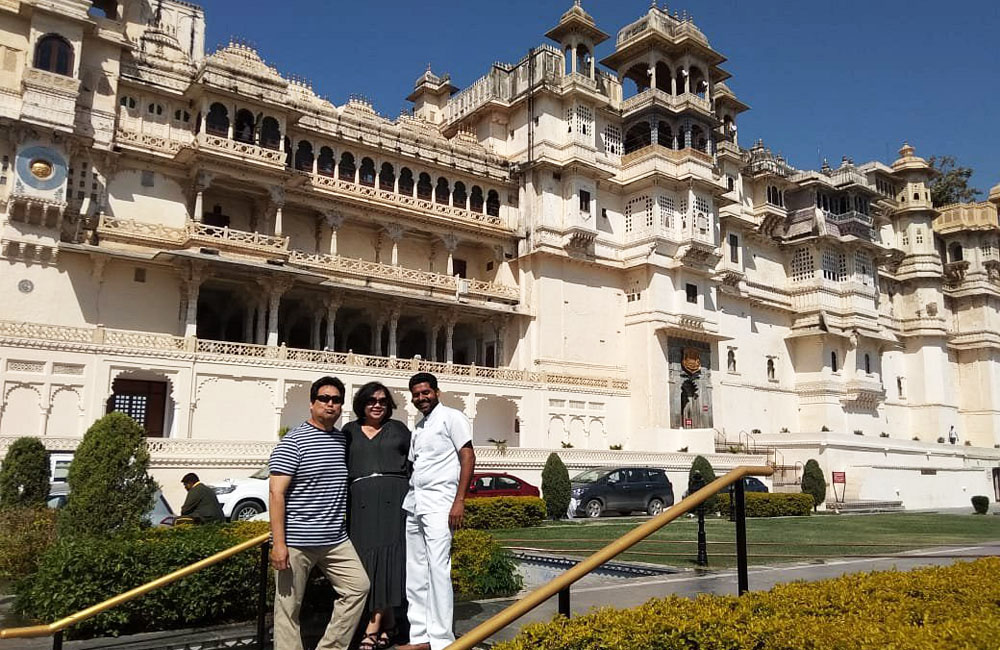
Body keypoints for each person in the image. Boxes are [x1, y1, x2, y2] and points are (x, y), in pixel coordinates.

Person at [268, 376, 370, 650]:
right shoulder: (294, 441)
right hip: (297, 541)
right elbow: (276, 493)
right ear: (312, 403)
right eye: (324, 399)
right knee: (289, 608)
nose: (330, 404)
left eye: (336, 400)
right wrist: (279, 544)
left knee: (358, 587)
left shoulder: (341, 439)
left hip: (335, 539)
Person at [397, 372, 475, 650]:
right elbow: (415, 467)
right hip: (416, 502)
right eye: (416, 395)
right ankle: (420, 636)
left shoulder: (452, 417)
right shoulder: (419, 427)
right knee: (416, 571)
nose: (421, 398)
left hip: (442, 503)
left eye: (425, 393)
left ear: (437, 392)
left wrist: (459, 500)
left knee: (438, 570)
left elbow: (468, 455)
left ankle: (442, 639)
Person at [343, 382, 411, 650]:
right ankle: (391, 623)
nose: (377, 405)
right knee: (367, 564)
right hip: (361, 504)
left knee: (388, 562)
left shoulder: (398, 430)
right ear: (362, 403)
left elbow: (417, 461)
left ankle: (373, 626)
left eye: (383, 401)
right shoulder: (349, 431)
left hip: (394, 500)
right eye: (371, 400)